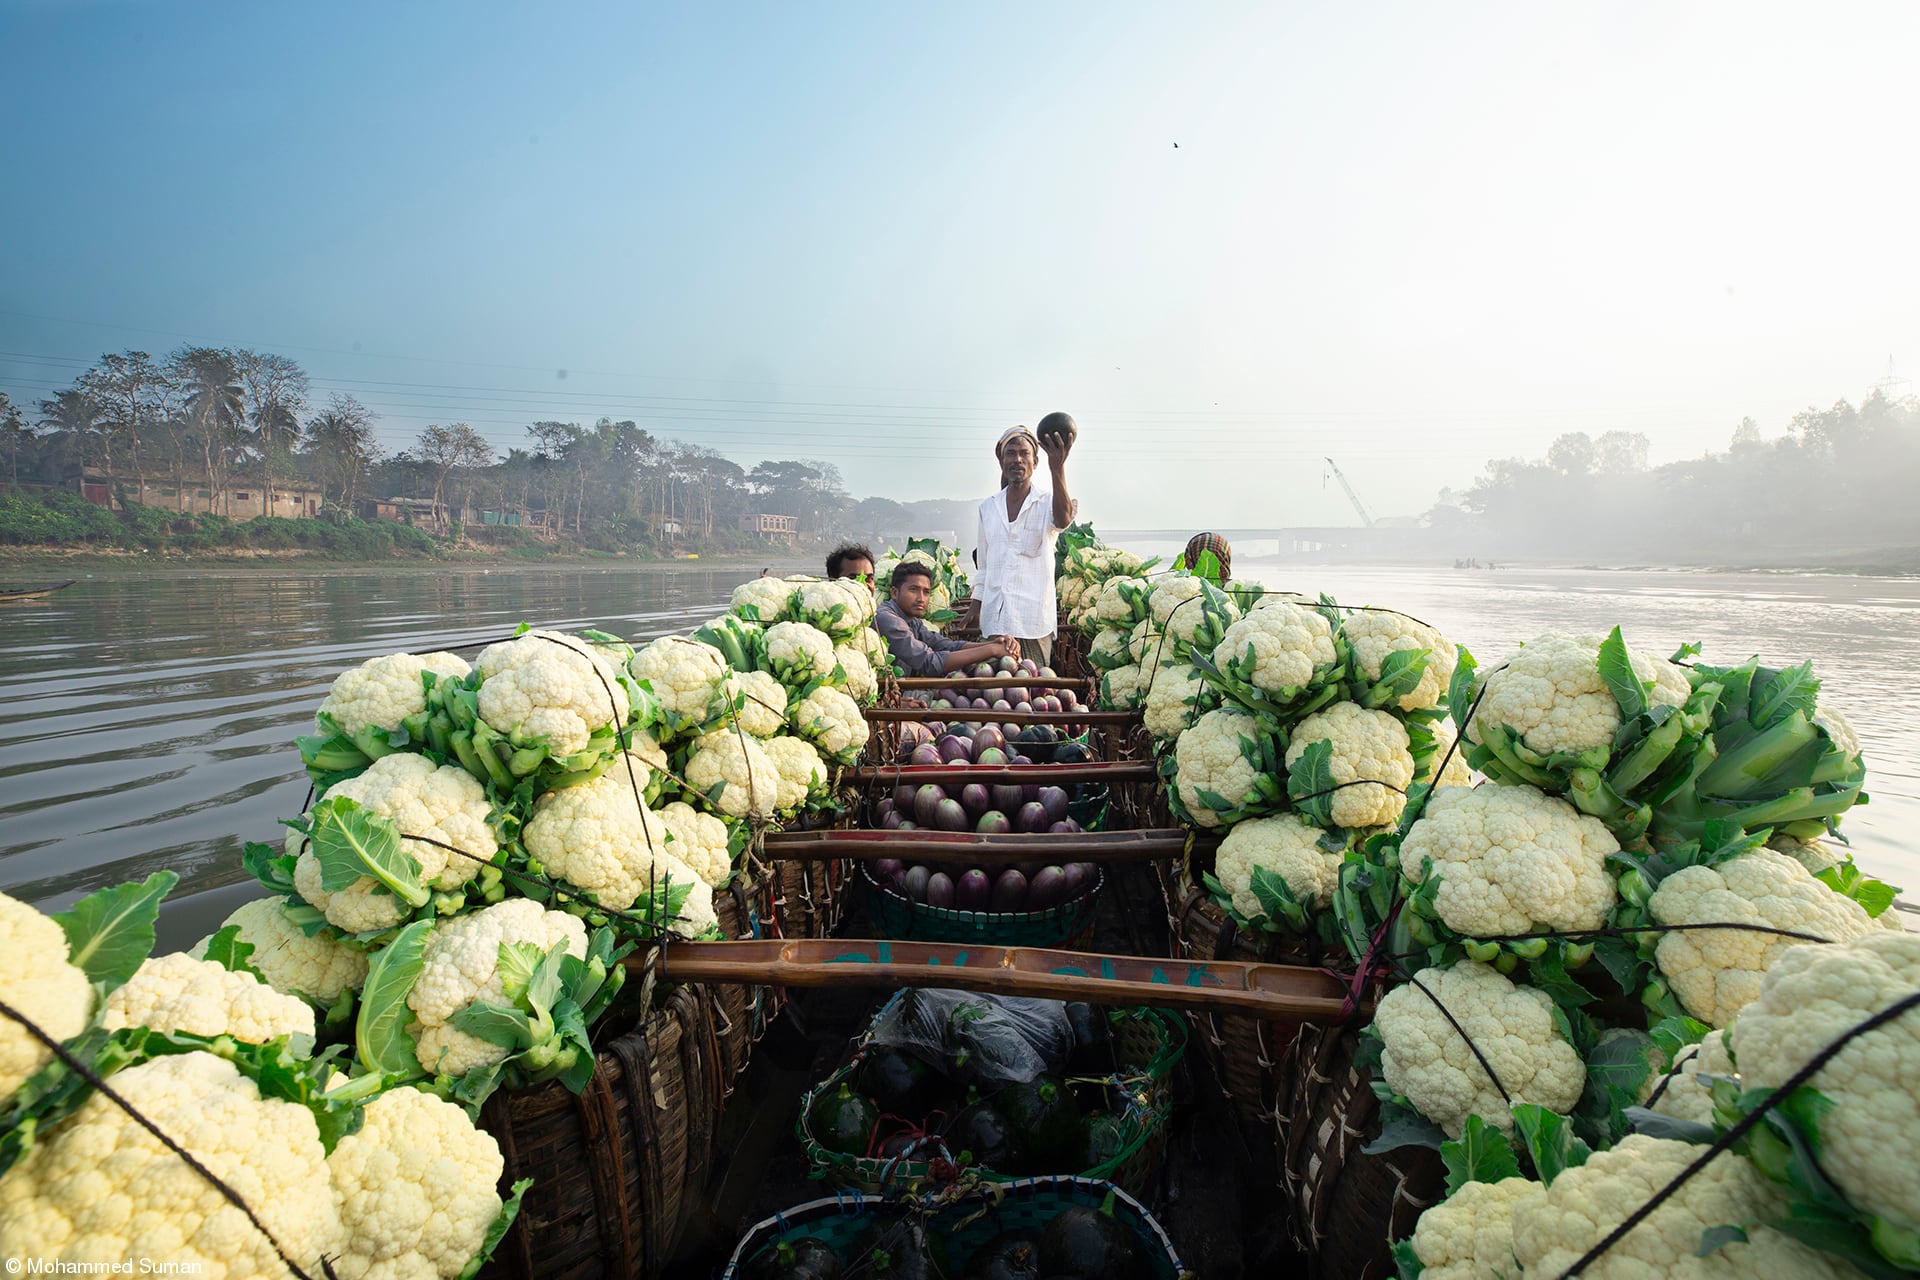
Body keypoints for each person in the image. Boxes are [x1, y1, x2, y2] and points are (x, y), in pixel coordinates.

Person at [974, 424, 1075, 665]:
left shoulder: (1046, 503)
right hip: (995, 621)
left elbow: (1063, 520)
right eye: (1011, 453)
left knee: (1034, 690)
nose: (1017, 459)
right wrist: (975, 606)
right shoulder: (988, 508)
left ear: (1035, 462)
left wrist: (1057, 467)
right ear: (1002, 462)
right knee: (995, 693)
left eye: (1024, 454)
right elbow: (985, 567)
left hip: (1033, 621)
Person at [875, 560, 1017, 677]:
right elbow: (929, 662)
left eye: (926, 592)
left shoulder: (912, 621)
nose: (921, 599)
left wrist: (993, 644)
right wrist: (992, 650)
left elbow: (948, 645)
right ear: (894, 593)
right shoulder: (887, 619)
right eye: (913, 589)